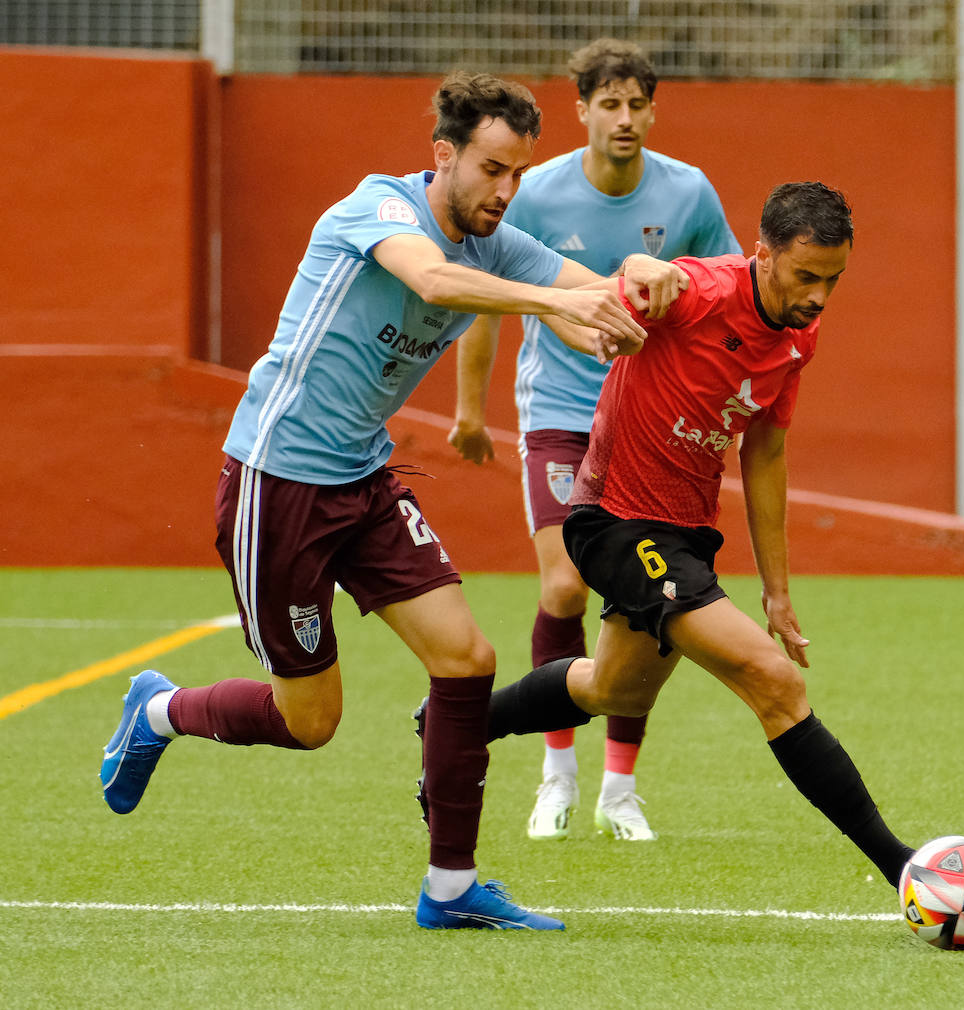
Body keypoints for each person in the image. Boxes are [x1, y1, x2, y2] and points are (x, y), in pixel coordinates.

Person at [97, 70, 685, 932]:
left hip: (364, 484)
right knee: (312, 721)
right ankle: (157, 710)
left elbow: (583, 292)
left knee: (466, 660)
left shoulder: (499, 241)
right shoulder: (376, 210)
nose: (505, 191)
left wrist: (637, 280)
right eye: (490, 169)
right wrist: (554, 300)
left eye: (518, 173)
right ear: (443, 155)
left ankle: (450, 887)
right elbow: (437, 284)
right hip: (279, 481)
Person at [428, 181, 919, 891]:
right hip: (616, 521)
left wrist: (777, 592)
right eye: (806, 275)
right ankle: (904, 869)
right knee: (775, 685)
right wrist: (634, 265)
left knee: (611, 691)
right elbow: (607, 294)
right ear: (763, 255)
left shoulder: (798, 336)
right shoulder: (698, 289)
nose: (818, 295)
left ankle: (452, 725)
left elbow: (766, 453)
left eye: (833, 280)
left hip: (685, 533)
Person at [448, 38, 742, 843]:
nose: (623, 117)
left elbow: (726, 297)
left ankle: (620, 788)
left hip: (649, 429)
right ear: (580, 111)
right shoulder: (535, 193)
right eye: (606, 103)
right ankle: (556, 774)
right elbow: (490, 299)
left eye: (635, 103)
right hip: (562, 415)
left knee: (645, 600)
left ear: (653, 109)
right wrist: (471, 412)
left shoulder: (688, 192)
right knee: (565, 589)